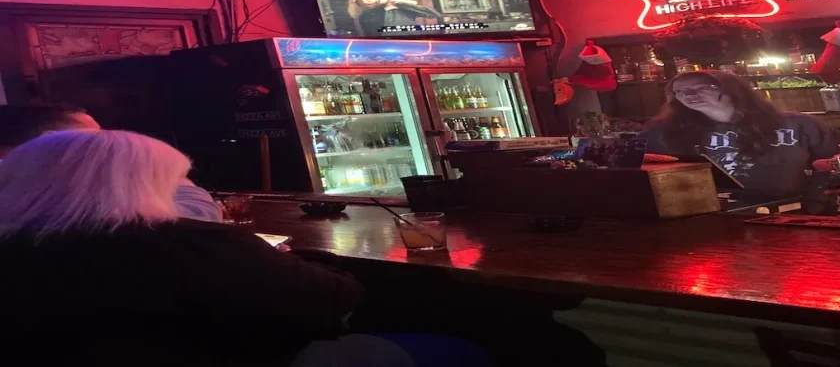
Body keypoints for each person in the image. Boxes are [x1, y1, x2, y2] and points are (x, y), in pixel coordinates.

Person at [0, 130, 493, 367]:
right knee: (460, 351)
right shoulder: (183, 245)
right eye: (173, 182)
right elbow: (333, 302)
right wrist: (284, 259)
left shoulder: (19, 246)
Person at [0, 104, 222, 222]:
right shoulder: (57, 194)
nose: (107, 144)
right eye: (92, 137)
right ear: (50, 141)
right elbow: (196, 218)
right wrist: (172, 175)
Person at [641, 70, 840, 196]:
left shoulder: (799, 124)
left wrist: (817, 197)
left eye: (702, 88)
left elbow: (836, 164)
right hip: (708, 217)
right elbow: (644, 174)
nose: (690, 95)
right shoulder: (662, 131)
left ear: (734, 91)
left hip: (790, 212)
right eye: (680, 92)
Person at [347, 0, 441, 36]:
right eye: (362, 2)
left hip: (413, 43)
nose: (368, 2)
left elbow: (433, 15)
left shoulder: (400, 5)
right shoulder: (364, 17)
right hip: (387, 48)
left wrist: (406, 3)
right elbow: (369, 36)